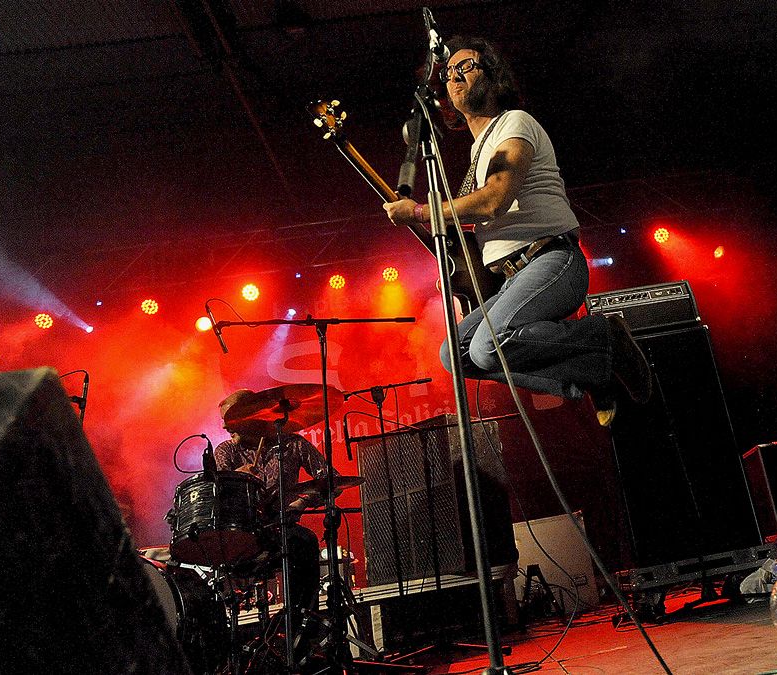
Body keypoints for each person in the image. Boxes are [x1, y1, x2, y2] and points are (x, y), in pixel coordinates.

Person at [383, 36, 651, 426]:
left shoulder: (515, 123)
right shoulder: (477, 154)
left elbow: (495, 199)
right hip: (513, 278)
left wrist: (423, 211)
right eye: (448, 72)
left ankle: (604, 336)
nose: (454, 76)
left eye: (465, 67)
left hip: (552, 260)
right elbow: (475, 227)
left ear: (493, 76)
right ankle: (591, 374)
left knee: (490, 346)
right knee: (454, 355)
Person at [213, 389, 329, 626]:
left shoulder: (293, 444)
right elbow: (219, 495)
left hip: (283, 529)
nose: (225, 428)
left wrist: (302, 501)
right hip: (244, 533)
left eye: (230, 420)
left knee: (304, 540)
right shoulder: (226, 451)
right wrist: (236, 478)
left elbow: (329, 479)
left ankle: (302, 623)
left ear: (252, 415)